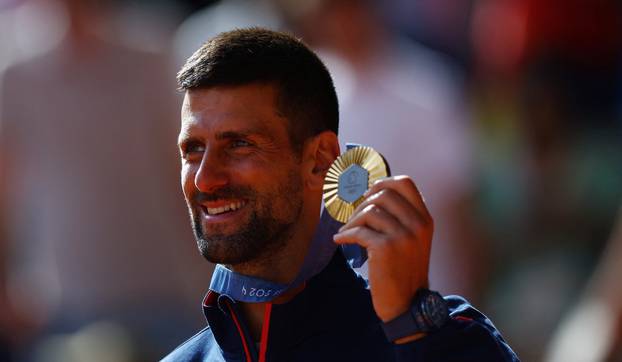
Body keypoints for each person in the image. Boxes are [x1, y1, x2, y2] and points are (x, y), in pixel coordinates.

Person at [163, 28, 518, 361]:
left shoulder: (435, 339)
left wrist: (412, 329)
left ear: (319, 160)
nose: (205, 179)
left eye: (239, 145)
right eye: (193, 149)